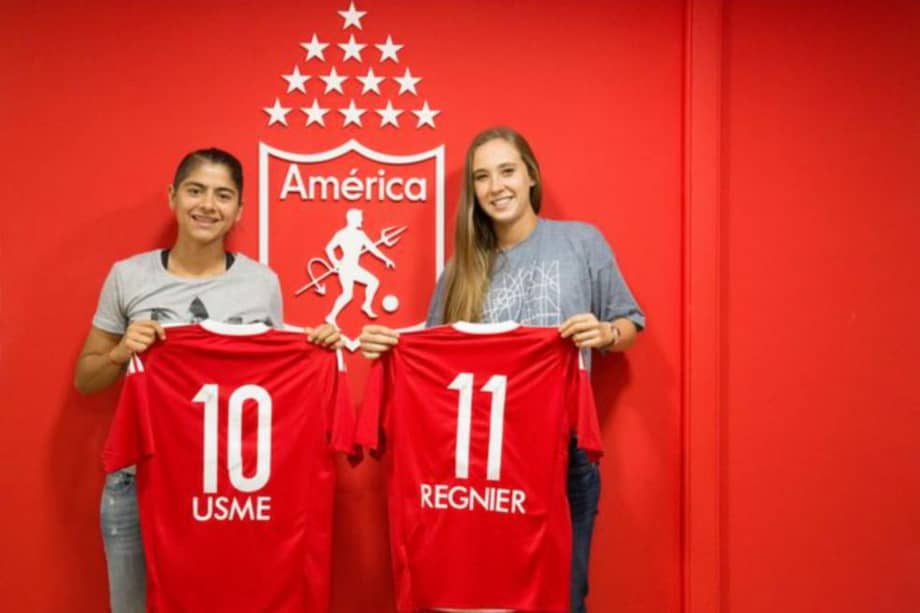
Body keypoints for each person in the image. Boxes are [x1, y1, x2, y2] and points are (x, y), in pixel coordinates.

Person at [359, 127, 645, 613]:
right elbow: (435, 358)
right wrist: (392, 346)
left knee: (564, 597)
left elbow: (631, 323)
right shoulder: (461, 269)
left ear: (530, 176)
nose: (496, 187)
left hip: (562, 455)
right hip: (480, 470)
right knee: (481, 599)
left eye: (507, 171)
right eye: (482, 177)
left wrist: (605, 333)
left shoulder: (580, 242)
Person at [73, 147, 339, 613]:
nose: (207, 205)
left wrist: (314, 349)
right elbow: (86, 378)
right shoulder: (128, 276)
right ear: (174, 197)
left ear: (239, 209)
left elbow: (275, 383)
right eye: (195, 191)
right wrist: (120, 352)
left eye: (223, 195)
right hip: (142, 482)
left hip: (226, 492)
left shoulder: (261, 283)